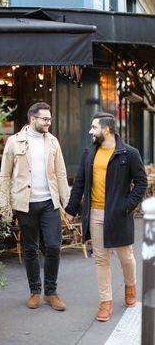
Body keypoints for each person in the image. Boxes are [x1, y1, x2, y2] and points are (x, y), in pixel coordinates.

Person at [65, 112, 147, 322]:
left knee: (125, 256)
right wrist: (71, 209)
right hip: (95, 214)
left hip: (118, 214)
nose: (90, 131)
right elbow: (80, 183)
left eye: (94, 127)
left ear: (107, 129)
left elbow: (141, 183)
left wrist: (126, 206)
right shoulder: (89, 153)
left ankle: (130, 287)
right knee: (101, 258)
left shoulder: (128, 153)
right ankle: (106, 301)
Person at [0, 102, 70, 311]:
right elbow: (5, 175)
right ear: (33, 119)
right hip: (25, 204)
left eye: (50, 119)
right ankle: (35, 291)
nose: (49, 122)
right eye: (45, 119)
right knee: (30, 249)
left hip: (50, 203)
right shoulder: (13, 142)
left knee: (54, 247)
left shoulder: (54, 142)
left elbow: (61, 173)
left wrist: (67, 204)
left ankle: (51, 292)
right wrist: (5, 206)